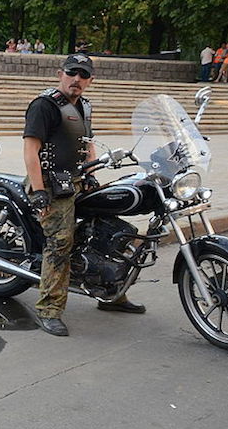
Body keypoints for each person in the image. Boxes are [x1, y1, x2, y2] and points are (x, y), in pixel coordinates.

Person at [23, 53, 144, 337]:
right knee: (60, 242)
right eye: (72, 72)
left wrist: (91, 174)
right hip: (51, 184)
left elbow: (87, 142)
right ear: (59, 73)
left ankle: (112, 293)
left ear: (91, 80)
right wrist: (39, 191)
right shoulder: (45, 106)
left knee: (114, 230)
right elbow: (30, 149)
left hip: (78, 180)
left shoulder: (84, 106)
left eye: (83, 75)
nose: (76, 79)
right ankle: (49, 309)